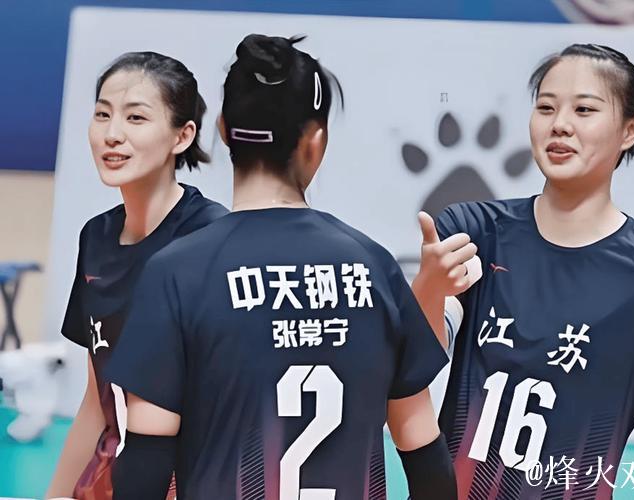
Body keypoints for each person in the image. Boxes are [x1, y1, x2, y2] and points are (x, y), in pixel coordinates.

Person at [105, 34, 457, 500]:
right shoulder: (374, 267)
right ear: (315, 143)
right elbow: (429, 466)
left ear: (224, 129)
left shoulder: (174, 273)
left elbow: (143, 472)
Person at [412, 43, 634, 499]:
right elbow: (413, 365)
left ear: (630, 129)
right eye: (546, 107)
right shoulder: (474, 232)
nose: (560, 124)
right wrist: (427, 289)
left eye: (584, 109)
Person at [46, 51, 228, 500]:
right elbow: (97, 402)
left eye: (136, 117)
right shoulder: (96, 236)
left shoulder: (211, 236)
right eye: (102, 114)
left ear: (182, 136)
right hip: (109, 479)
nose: (112, 134)